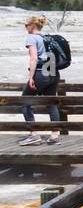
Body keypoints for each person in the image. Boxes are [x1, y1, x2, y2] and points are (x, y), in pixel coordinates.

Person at [18, 16, 62, 146]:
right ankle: (55, 135)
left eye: (26, 25)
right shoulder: (46, 37)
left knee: (25, 101)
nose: (26, 27)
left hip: (41, 72)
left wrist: (31, 77)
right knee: (51, 102)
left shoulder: (32, 37)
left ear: (32, 26)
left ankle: (33, 134)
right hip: (53, 71)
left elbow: (33, 59)